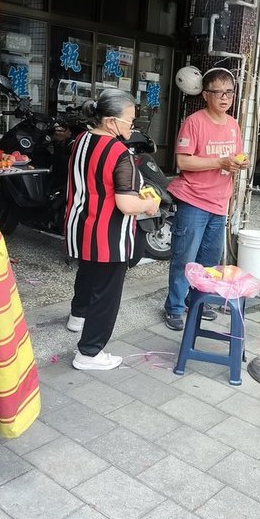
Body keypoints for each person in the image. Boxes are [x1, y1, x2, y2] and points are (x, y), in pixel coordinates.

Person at [63, 89, 159, 370]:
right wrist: (150, 206)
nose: (133, 126)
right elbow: (127, 204)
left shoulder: (81, 139)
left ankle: (77, 317)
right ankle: (89, 353)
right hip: (108, 234)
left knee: (87, 272)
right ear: (110, 122)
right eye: (129, 121)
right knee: (106, 293)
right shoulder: (120, 153)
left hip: (80, 225)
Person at [164, 67, 248, 331]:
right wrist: (219, 161)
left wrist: (237, 164)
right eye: (218, 92)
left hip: (220, 201)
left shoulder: (233, 125)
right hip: (193, 200)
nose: (225, 98)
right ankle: (175, 308)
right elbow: (182, 161)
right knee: (184, 259)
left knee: (209, 261)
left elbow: (232, 158)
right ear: (205, 94)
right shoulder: (194, 122)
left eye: (229, 92)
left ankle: (198, 302)